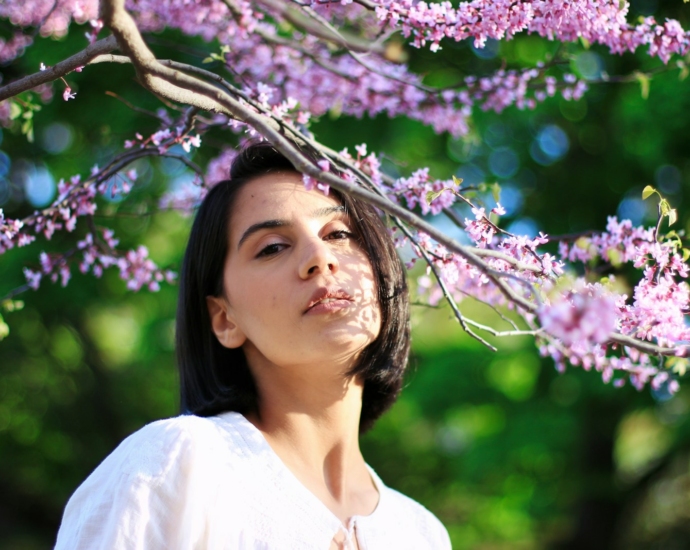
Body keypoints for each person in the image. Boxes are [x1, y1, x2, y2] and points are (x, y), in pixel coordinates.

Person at [54, 142, 452, 549]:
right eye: (273, 247)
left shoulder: (421, 533)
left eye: (339, 233)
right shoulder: (178, 464)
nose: (319, 257)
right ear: (225, 319)